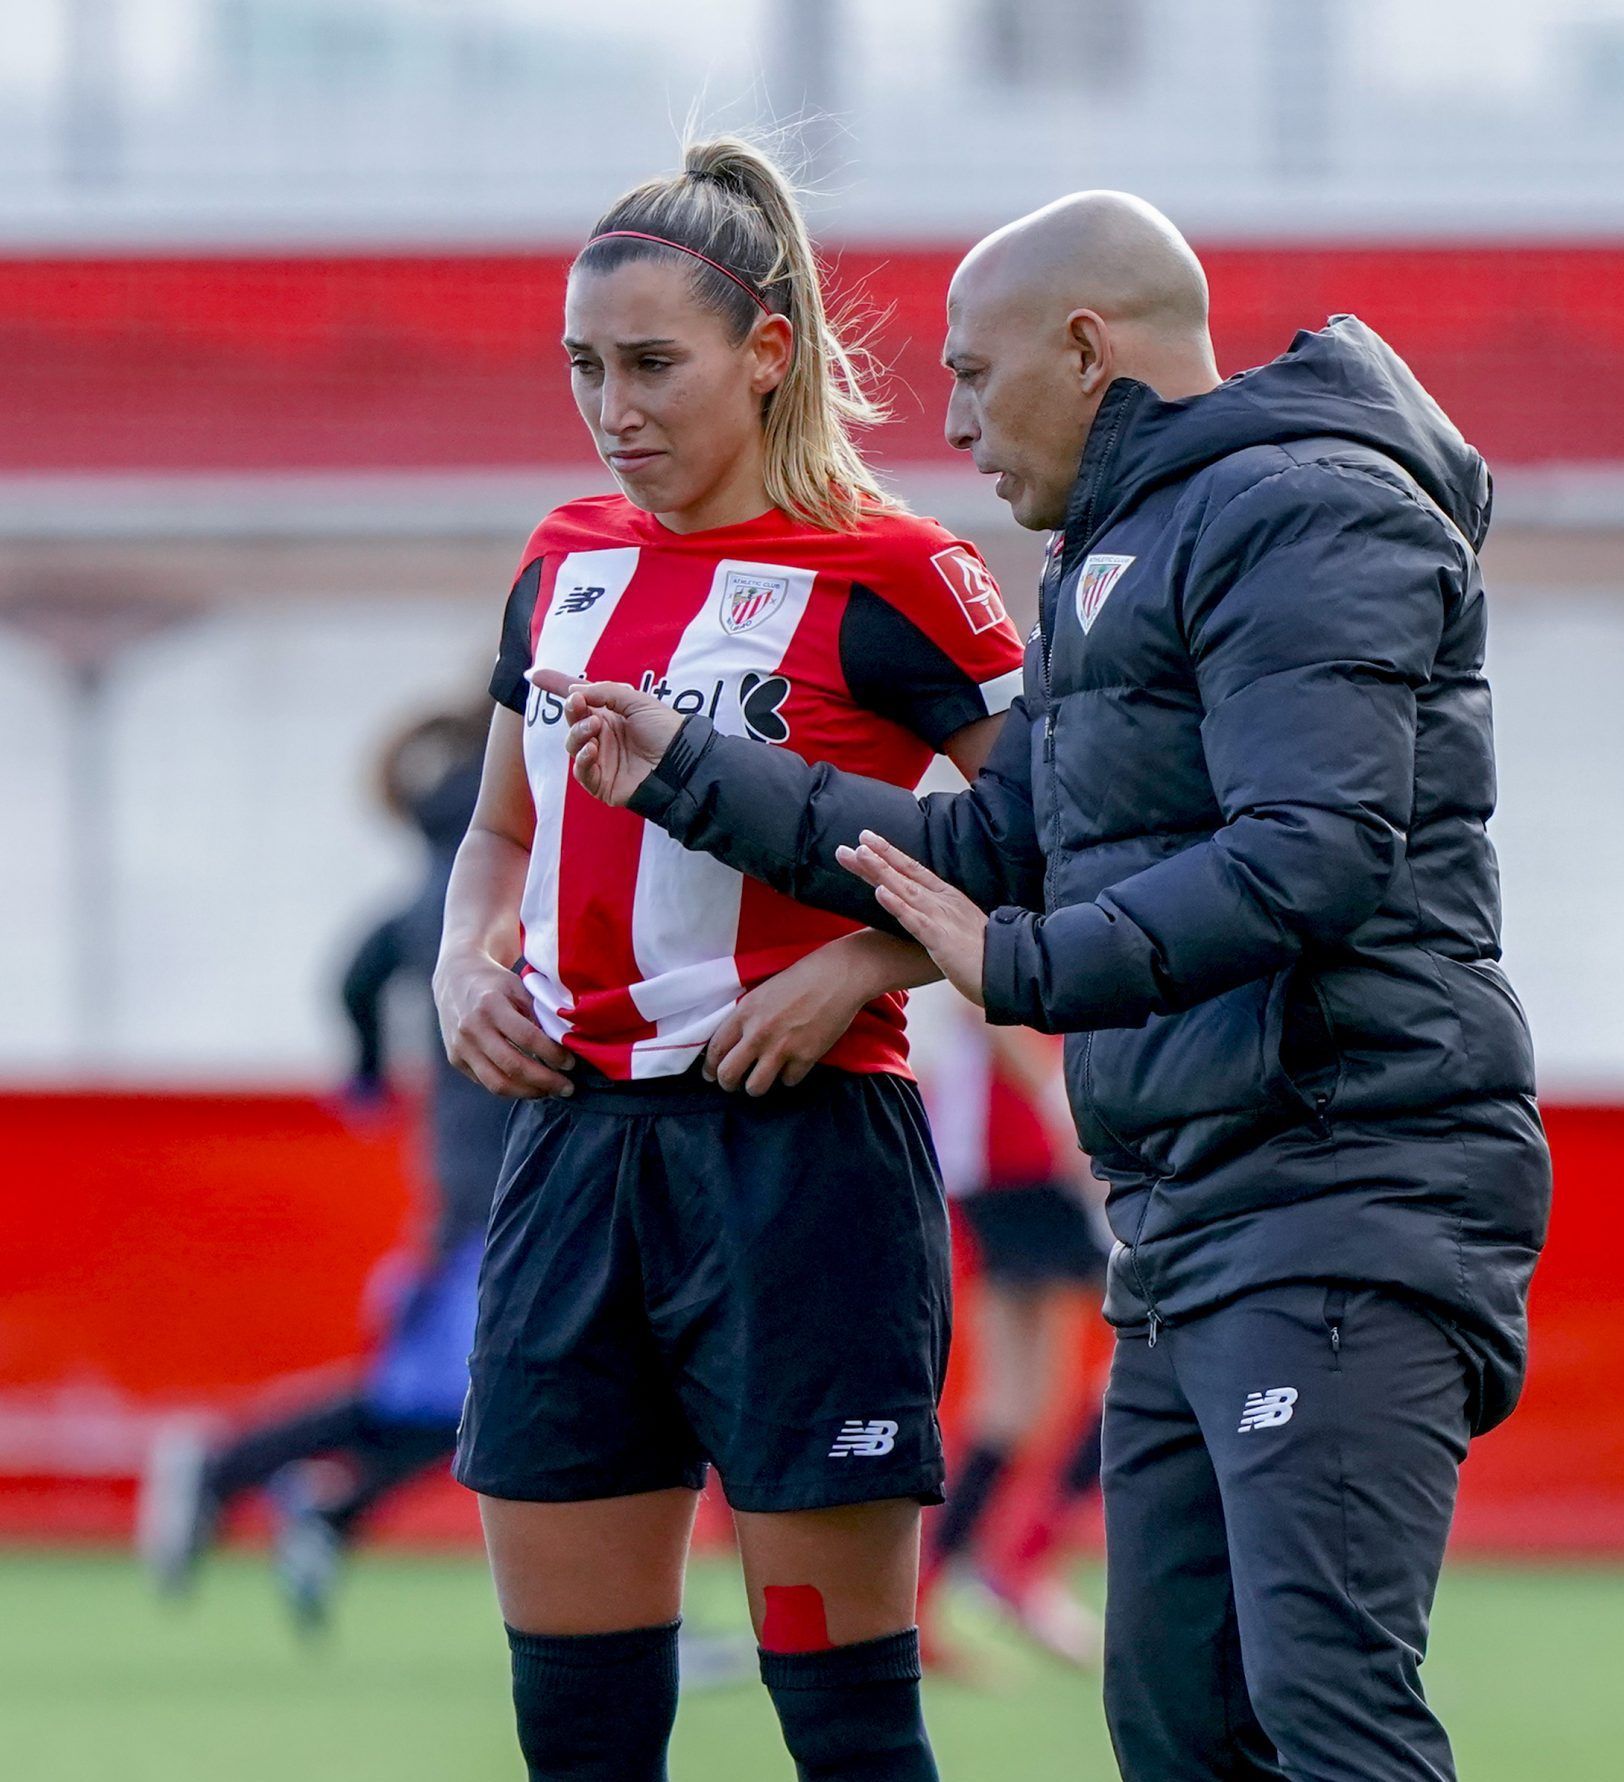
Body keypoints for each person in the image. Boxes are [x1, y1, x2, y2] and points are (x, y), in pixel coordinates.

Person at [535, 190, 1554, 1782]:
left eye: (972, 374)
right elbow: (997, 841)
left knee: (1329, 1713)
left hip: (1348, 1188)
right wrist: (696, 774)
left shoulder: (1308, 509)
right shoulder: (1114, 551)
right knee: (1178, 1726)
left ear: (1086, 350)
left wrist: (1021, 966)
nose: (951, 425)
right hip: (1191, 1206)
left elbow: (1315, 853)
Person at [431, 137, 1025, 1782]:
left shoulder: (903, 573)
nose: (609, 406)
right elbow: (496, 835)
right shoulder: (560, 559)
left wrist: (865, 966)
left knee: (846, 1722)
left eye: (649, 364)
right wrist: (462, 965)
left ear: (766, 353)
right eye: (582, 366)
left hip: (803, 1162)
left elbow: (1050, 834)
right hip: (573, 1156)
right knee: (580, 1727)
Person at [140, 702, 509, 1634]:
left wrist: (369, 1073)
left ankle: (315, 1505)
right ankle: (241, 1473)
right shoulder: (511, 852)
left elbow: (360, 969)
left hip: (482, 1166)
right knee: (483, 1388)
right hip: (507, 1174)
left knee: (492, 1390)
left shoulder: (454, 863)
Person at [917, 1012, 1105, 1669]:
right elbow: (980, 997)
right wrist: (1068, 1114)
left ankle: (936, 1592)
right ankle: (1019, 1566)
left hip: (1007, 1156)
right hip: (1026, 1153)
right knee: (1145, 1358)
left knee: (1018, 1403)